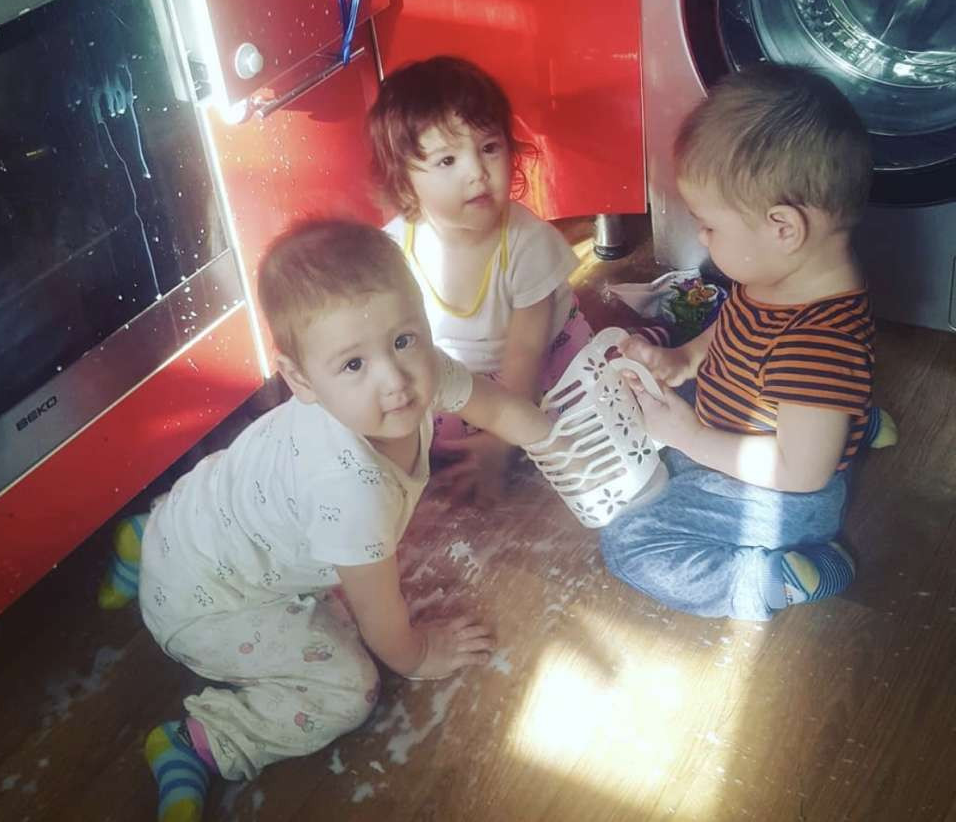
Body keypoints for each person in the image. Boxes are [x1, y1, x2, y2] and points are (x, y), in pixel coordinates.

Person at [102, 219, 553, 822]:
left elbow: (494, 405)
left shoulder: (418, 374)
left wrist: (562, 442)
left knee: (213, 522)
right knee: (347, 690)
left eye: (404, 339)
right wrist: (417, 656)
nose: (394, 380)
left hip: (191, 521)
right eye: (353, 364)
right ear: (299, 379)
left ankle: (146, 539)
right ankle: (201, 743)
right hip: (212, 605)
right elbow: (380, 619)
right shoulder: (351, 491)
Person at [600, 63, 893, 621]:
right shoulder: (782, 274)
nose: (701, 236)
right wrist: (682, 359)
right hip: (753, 425)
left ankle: (778, 579)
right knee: (645, 396)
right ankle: (848, 421)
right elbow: (733, 330)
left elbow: (800, 473)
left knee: (630, 544)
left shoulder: (818, 345)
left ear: (784, 228)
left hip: (783, 493)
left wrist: (688, 436)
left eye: (709, 225)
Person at [368, 56, 592, 502]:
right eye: (447, 160)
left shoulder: (526, 243)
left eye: (489, 147)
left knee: (581, 421)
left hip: (544, 360)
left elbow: (525, 352)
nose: (476, 172)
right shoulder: (396, 246)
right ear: (406, 183)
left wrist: (501, 440)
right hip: (460, 371)